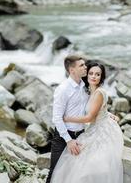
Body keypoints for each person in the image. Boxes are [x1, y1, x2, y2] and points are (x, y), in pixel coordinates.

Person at [50, 61, 124, 183]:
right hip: (92, 128)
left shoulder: (99, 93)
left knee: (88, 165)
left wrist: (67, 118)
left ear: (101, 77)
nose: (94, 76)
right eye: (91, 73)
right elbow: (99, 109)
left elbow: (89, 118)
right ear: (87, 75)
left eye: (98, 74)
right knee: (72, 161)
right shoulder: (88, 91)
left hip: (102, 129)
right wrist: (109, 114)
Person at [46, 55, 89, 183]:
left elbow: (92, 108)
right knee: (55, 172)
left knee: (75, 172)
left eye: (84, 64)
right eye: (81, 65)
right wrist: (69, 141)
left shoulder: (85, 86)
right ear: (72, 70)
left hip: (81, 135)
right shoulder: (63, 89)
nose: (85, 67)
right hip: (63, 137)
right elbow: (57, 118)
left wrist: (108, 115)